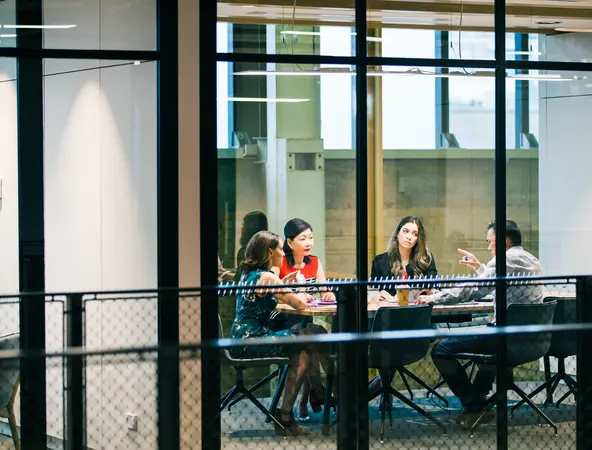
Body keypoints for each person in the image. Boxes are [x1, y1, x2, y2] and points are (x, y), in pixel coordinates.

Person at [416, 219, 543, 426]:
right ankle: (477, 406)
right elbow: (497, 282)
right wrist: (479, 267)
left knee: (441, 349)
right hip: (530, 340)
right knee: (487, 350)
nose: (488, 247)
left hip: (505, 337)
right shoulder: (532, 260)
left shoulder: (503, 259)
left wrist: (434, 297)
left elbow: (473, 289)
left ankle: (474, 405)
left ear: (503, 241)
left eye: (490, 242)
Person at [230, 230, 325, 436]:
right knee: (311, 335)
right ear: (270, 252)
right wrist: (299, 287)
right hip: (252, 340)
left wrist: (285, 283)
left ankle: (287, 415)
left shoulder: (251, 274)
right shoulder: (268, 278)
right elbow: (299, 304)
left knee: (308, 342)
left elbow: (271, 291)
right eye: (281, 249)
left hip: (244, 337)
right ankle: (318, 392)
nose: (284, 254)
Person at [279, 218, 335, 421]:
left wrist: (328, 295)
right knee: (315, 337)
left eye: (310, 237)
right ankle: (320, 392)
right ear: (290, 242)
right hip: (286, 320)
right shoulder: (281, 264)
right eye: (302, 238)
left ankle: (313, 396)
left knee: (317, 337)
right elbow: (275, 295)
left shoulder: (315, 262)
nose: (308, 242)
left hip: (307, 320)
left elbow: (325, 291)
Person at [370, 215, 437, 300]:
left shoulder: (426, 259)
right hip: (388, 311)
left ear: (417, 239)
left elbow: (433, 290)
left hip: (416, 310)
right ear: (398, 233)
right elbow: (373, 292)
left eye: (415, 234)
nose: (409, 237)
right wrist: (376, 296)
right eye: (406, 231)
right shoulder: (380, 261)